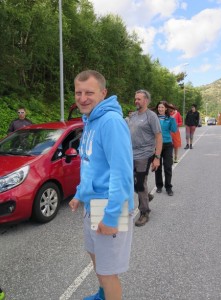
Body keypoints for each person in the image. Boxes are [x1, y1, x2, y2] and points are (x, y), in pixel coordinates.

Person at [69, 70, 134, 300]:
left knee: (108, 272)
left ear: (103, 93)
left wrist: (112, 216)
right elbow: (90, 165)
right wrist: (78, 194)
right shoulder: (90, 120)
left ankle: (108, 294)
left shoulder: (111, 122)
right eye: (78, 92)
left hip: (109, 205)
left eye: (89, 92)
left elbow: (122, 174)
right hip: (92, 203)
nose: (83, 98)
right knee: (96, 257)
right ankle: (102, 295)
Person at [127, 89, 162, 227]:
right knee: (129, 181)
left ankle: (144, 212)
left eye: (139, 99)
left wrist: (157, 157)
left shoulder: (151, 116)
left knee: (140, 183)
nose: (136, 101)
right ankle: (146, 196)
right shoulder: (133, 116)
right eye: (135, 98)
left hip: (145, 155)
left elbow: (159, 137)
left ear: (146, 100)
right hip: (130, 155)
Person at [155, 101, 177, 196]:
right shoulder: (154, 118)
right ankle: (159, 186)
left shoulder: (170, 118)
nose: (160, 109)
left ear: (166, 109)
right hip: (156, 145)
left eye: (162, 107)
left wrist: (173, 120)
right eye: (159, 107)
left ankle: (168, 187)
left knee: (168, 167)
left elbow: (174, 130)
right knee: (158, 167)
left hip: (168, 144)